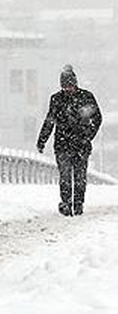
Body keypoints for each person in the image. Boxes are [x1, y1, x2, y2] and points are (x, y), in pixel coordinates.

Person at [36, 65, 103, 216]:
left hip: (80, 144)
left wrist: (87, 136)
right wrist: (42, 140)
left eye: (70, 86)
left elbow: (97, 118)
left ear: (75, 84)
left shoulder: (86, 97)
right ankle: (66, 203)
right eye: (65, 86)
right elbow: (50, 121)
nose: (68, 89)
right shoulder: (56, 99)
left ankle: (78, 204)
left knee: (79, 176)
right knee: (65, 176)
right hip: (63, 145)